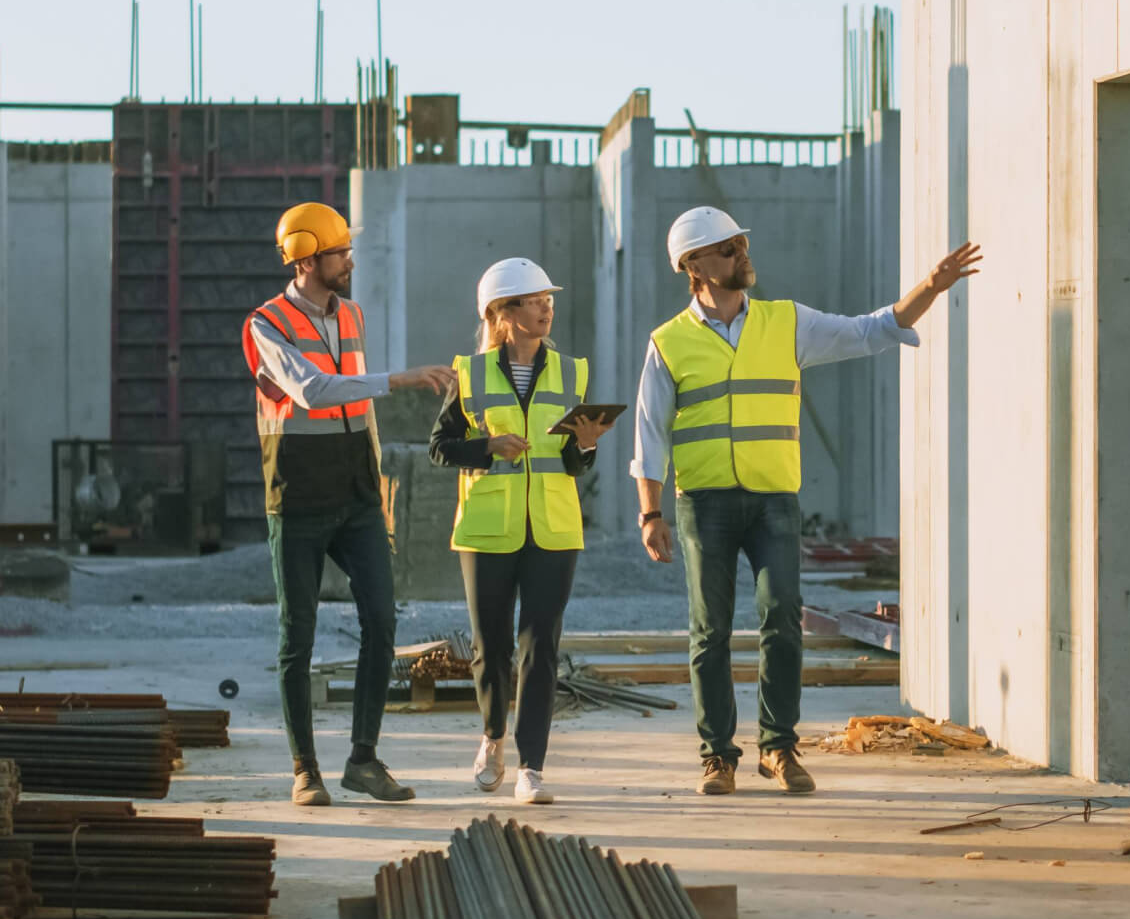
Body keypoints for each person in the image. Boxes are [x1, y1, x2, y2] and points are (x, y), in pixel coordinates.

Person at [631, 205, 982, 796]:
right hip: (703, 504)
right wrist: (650, 513)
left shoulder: (786, 322)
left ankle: (778, 748)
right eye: (727, 250)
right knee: (709, 632)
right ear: (693, 266)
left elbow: (872, 329)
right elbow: (649, 432)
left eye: (741, 244)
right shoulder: (668, 343)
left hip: (773, 501)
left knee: (782, 620)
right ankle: (717, 756)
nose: (742, 255)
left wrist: (932, 286)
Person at [241, 201, 457, 806]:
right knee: (297, 634)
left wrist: (379, 485)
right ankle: (304, 768)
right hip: (299, 498)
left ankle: (362, 759)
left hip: (359, 497)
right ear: (307, 259)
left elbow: (358, 416)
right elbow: (310, 392)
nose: (350, 261)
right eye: (339, 253)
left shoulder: (353, 315)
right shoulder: (265, 325)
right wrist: (399, 379)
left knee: (383, 621)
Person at [429, 258, 612, 805]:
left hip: (555, 527)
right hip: (487, 529)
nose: (545, 307)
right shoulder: (472, 373)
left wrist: (586, 442)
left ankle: (532, 767)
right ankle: (492, 738)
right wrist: (488, 446)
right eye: (533, 300)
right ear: (502, 314)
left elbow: (577, 466)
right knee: (491, 647)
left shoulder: (573, 371)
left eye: (547, 299)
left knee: (542, 647)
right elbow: (440, 448)